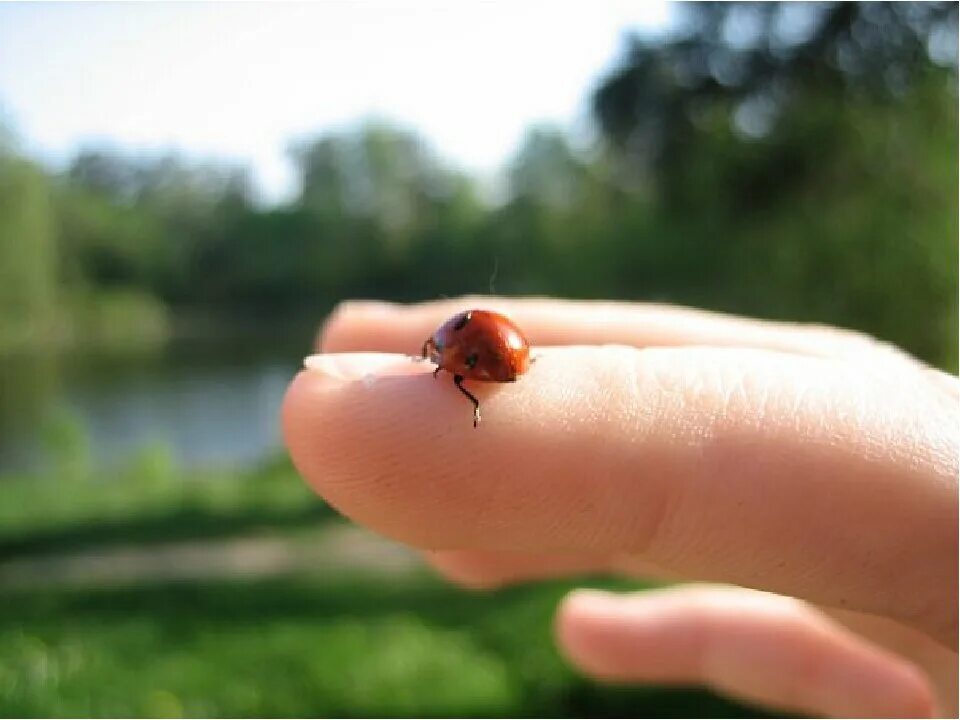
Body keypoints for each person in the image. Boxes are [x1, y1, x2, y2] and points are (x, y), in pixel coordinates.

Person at [282, 297, 958, 718]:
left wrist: (459, 373)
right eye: (440, 353)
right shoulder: (459, 340)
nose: (437, 358)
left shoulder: (453, 353)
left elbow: (458, 371)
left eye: (437, 354)